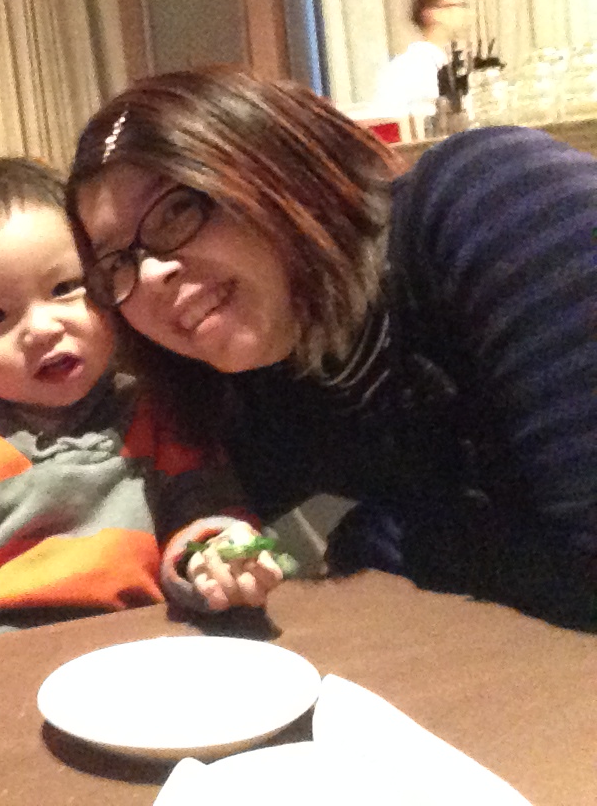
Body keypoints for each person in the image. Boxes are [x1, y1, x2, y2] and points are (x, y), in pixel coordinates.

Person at [66, 66, 597, 630]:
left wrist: (379, 539)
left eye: (176, 209)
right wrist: (206, 547)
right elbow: (203, 505)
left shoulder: (493, 197)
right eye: (115, 262)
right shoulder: (276, 370)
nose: (150, 275)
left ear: (280, 168)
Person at [0, 158, 284, 673]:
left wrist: (210, 555)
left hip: (141, 654)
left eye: (64, 288)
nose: (42, 328)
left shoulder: (155, 413)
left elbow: (200, 506)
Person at [374, 0, 472, 119]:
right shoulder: (413, 68)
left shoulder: (442, 62)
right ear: (431, 13)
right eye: (459, 5)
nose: (467, 13)